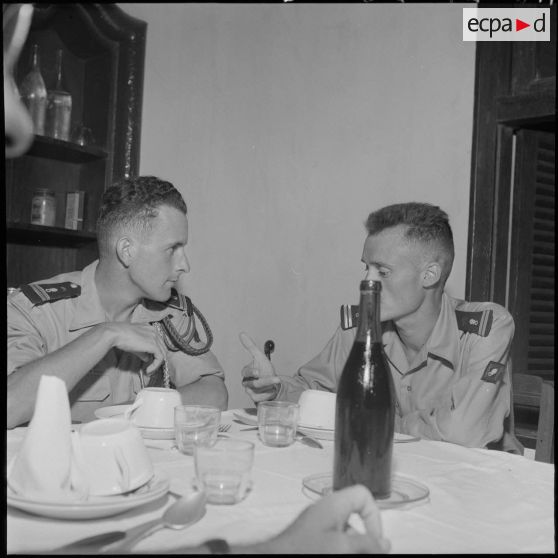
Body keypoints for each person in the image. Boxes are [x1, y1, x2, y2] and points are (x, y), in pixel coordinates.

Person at [241, 202, 520, 451]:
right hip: (386, 470)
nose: (367, 281)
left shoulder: (486, 328)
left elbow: (461, 433)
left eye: (382, 271)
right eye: (366, 268)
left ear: (430, 275)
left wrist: (370, 421)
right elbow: (316, 392)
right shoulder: (360, 327)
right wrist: (274, 391)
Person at [7, 176, 228, 427]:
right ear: (127, 251)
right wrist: (106, 334)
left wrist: (133, 413)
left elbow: (214, 394)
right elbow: (10, 407)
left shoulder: (169, 313)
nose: (184, 265)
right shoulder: (36, 310)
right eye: (172, 249)